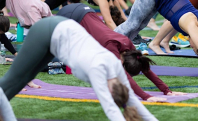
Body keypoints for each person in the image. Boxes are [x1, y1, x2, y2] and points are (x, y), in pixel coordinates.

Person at [0, 16, 158, 121]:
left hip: (59, 37)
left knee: (21, 81)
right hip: (48, 31)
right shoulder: (98, 69)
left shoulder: (116, 67)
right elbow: (110, 109)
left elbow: (133, 103)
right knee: (14, 80)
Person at [57, 3, 186, 102]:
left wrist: (166, 91)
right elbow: (123, 76)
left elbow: (146, 69)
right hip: (70, 15)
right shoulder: (111, 46)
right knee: (53, 53)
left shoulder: (127, 45)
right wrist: (146, 96)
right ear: (123, 61)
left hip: (85, 12)